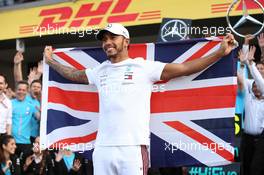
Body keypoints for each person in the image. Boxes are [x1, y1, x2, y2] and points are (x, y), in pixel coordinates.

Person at [44, 23, 236, 175]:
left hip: (133, 148)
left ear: (126, 41)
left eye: (113, 37)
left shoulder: (144, 67)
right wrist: (51, 61)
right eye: (104, 39)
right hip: (102, 148)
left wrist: (219, 52)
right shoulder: (99, 70)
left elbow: (185, 69)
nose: (107, 42)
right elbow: (74, 74)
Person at [237, 46, 264, 175]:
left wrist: (251, 63)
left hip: (262, 140)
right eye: (254, 87)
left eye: (259, 87)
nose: (257, 88)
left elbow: (260, 80)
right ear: (252, 89)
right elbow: (241, 81)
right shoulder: (248, 98)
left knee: (256, 169)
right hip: (247, 139)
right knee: (246, 168)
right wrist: (243, 64)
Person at [11, 81, 40, 166]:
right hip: (11, 143)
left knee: (24, 167)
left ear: (27, 92)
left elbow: (39, 118)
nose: (21, 92)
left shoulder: (31, 106)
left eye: (23, 90)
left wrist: (43, 112)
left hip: (25, 143)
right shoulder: (10, 103)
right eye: (19, 89)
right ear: (16, 90)